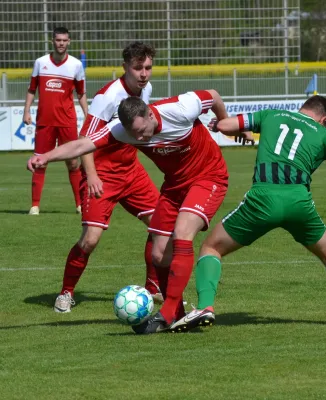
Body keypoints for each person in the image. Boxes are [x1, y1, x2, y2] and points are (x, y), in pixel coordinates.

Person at [167, 95, 326, 333]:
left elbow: (226, 126)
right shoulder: (323, 134)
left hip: (263, 198)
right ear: (324, 119)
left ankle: (206, 306)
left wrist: (219, 123)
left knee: (211, 248)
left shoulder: (271, 114)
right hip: (299, 203)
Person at [27, 89, 240, 333]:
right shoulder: (122, 130)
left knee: (182, 232)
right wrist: (46, 156)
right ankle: (179, 315)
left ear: (150, 114)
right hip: (174, 186)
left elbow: (213, 95)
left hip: (208, 177)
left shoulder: (182, 108)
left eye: (142, 131)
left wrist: (224, 122)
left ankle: (167, 312)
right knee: (159, 255)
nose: (139, 138)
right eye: (134, 135)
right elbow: (84, 144)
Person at [52, 42, 162, 313]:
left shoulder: (146, 90)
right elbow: (85, 139)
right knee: (90, 239)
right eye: (138, 68)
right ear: (125, 67)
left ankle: (153, 287)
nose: (144, 73)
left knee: (161, 225)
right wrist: (90, 175)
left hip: (131, 171)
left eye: (148, 67)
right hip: (101, 173)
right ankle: (66, 293)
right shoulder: (108, 96)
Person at [23, 26, 88, 216]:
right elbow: (31, 89)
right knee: (40, 162)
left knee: (73, 163)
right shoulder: (40, 63)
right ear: (53, 41)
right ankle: (35, 205)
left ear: (69, 42)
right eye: (58, 40)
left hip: (67, 121)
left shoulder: (76, 65)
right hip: (45, 121)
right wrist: (26, 111)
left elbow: (81, 92)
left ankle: (79, 204)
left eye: (64, 40)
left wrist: (87, 115)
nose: (61, 43)